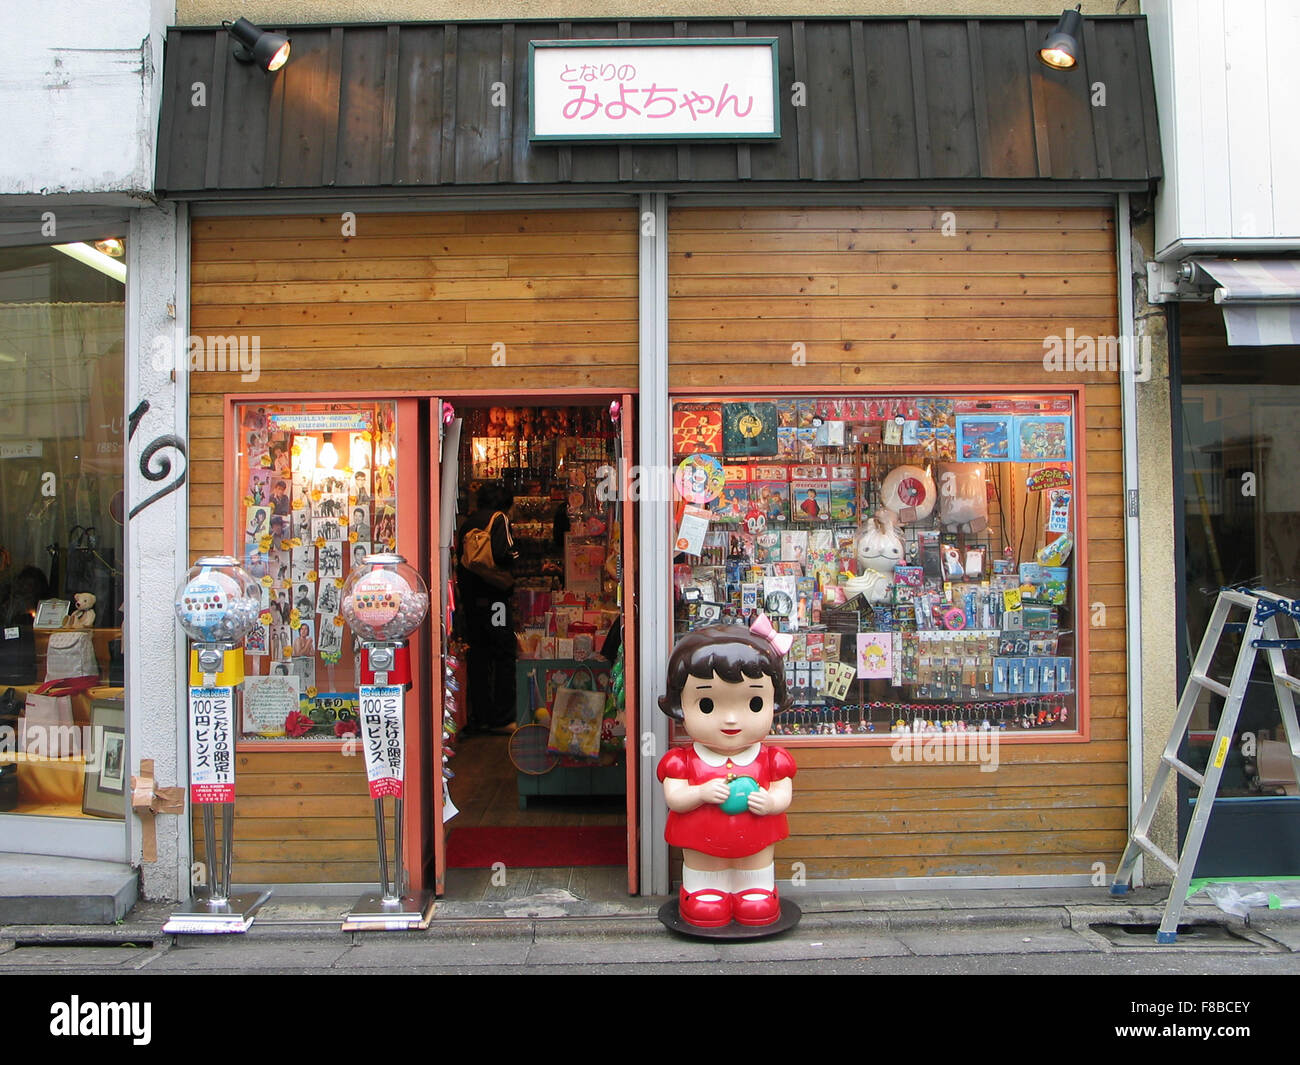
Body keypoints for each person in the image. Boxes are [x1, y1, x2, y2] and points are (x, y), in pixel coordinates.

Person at [657, 623, 796, 929]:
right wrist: (701, 793)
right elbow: (675, 798)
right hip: (702, 843)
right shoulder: (682, 761)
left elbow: (783, 792)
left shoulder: (772, 759)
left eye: (754, 703)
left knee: (756, 867)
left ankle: (757, 888)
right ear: (680, 706)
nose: (731, 719)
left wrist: (771, 802)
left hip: (757, 841)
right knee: (704, 869)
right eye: (707, 704)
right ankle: (702, 890)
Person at [456, 484, 520, 734]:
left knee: (478, 656)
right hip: (495, 599)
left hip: (472, 601)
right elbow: (505, 554)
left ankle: (480, 714)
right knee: (503, 653)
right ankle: (502, 717)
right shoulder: (499, 518)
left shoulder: (469, 521)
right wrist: (517, 555)